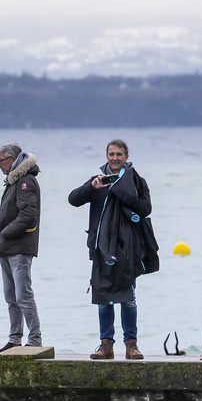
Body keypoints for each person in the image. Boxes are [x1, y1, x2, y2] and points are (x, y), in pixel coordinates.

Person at [68, 138, 158, 360]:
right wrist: (92, 187)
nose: (115, 158)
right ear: (106, 156)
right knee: (103, 297)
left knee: (128, 297)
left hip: (129, 248)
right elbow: (73, 199)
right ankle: (106, 344)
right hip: (101, 248)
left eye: (119, 154)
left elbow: (146, 208)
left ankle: (131, 344)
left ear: (126, 156)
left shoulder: (137, 181)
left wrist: (118, 189)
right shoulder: (98, 181)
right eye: (111, 154)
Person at [0, 141, 43, 350]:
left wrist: (4, 232)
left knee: (23, 296)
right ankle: (15, 339)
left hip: (19, 249)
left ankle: (34, 340)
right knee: (11, 297)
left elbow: (28, 217)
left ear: (12, 159)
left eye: (1, 161)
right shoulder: (13, 181)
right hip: (8, 247)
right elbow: (16, 216)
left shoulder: (25, 181)